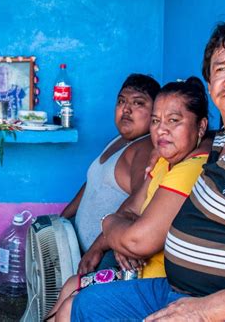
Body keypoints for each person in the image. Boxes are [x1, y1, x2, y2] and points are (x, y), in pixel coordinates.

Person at [71, 21, 225, 321]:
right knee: (86, 305)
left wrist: (204, 312)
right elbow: (190, 133)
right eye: (220, 69)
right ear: (209, 84)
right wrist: (159, 145)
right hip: (181, 290)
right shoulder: (221, 141)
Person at [48, 77, 210, 321]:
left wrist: (117, 233)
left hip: (154, 280)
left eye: (173, 121)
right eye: (157, 120)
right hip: (135, 270)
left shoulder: (187, 168)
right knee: (72, 285)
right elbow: (128, 209)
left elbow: (137, 240)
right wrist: (117, 231)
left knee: (73, 305)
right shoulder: (163, 161)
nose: (162, 129)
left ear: (201, 127)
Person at [61, 73, 160, 273]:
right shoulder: (119, 141)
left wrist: (99, 247)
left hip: (106, 257)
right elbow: (92, 183)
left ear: (155, 113)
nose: (126, 109)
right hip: (83, 250)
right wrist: (62, 219)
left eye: (138, 103)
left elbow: (140, 205)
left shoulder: (145, 147)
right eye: (121, 101)